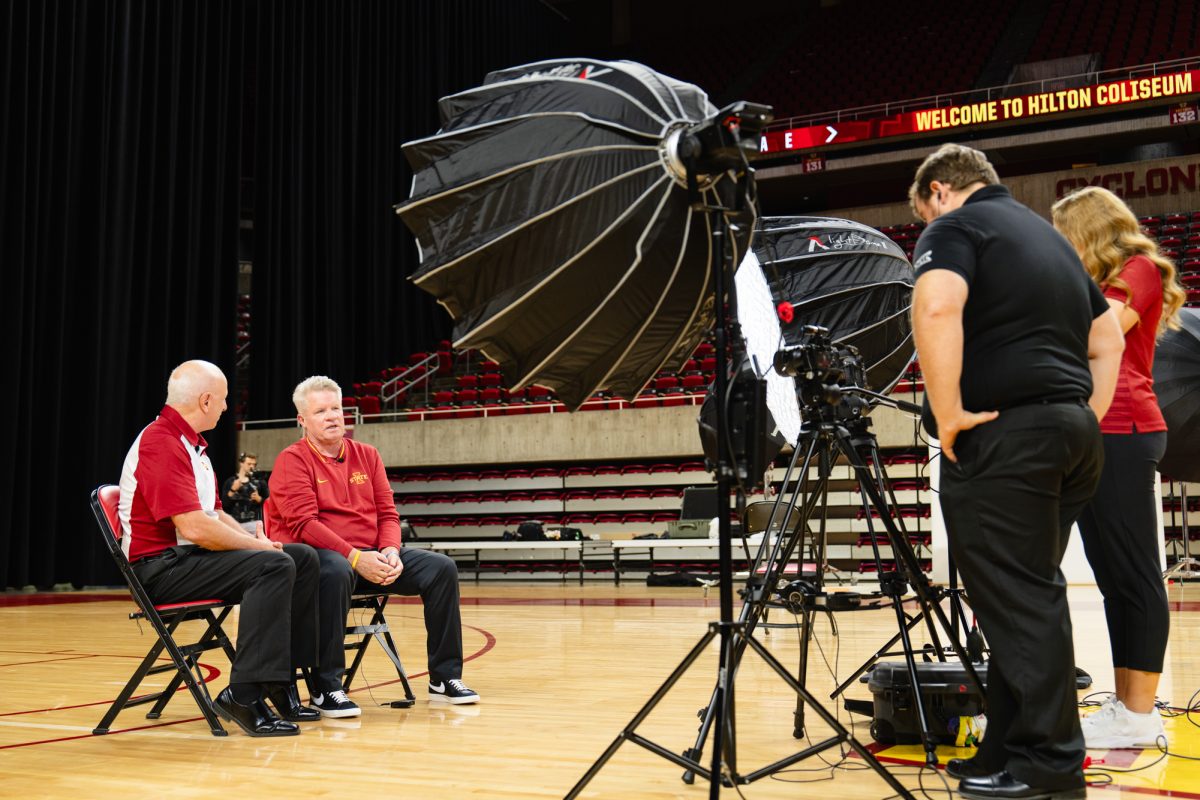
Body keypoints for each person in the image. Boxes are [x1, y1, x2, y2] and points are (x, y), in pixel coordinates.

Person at [908, 144, 1124, 800]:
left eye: (922, 213)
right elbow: (1106, 338)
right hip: (1071, 435)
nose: (926, 226)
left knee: (1019, 599)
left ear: (939, 191)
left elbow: (938, 306)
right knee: (1020, 599)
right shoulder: (1047, 238)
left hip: (1007, 437)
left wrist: (947, 414)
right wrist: (1076, 414)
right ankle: (1002, 750)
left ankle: (1048, 769)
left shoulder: (955, 226)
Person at [118, 360, 324, 736]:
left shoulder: (193, 445)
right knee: (273, 565)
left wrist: (259, 541)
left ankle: (280, 680)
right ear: (207, 400)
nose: (228, 408)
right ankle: (244, 695)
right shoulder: (161, 441)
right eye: (225, 400)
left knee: (302, 558)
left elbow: (214, 514)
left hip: (189, 560)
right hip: (160, 570)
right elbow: (196, 528)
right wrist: (258, 549)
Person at [1051, 187, 1185, 749]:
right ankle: (1128, 706)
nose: (1059, 245)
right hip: (1095, 431)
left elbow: (1092, 334)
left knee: (1134, 573)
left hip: (1126, 430)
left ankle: (1138, 711)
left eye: (1064, 233)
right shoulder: (1097, 279)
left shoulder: (1142, 267)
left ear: (1087, 229)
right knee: (1112, 578)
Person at [267, 375, 480, 714]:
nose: (332, 416)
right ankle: (326, 686)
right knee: (335, 570)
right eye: (321, 411)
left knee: (441, 568)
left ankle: (443, 677)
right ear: (302, 420)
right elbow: (305, 525)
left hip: (373, 556)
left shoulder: (367, 455)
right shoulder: (292, 460)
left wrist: (391, 551)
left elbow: (388, 514)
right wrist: (354, 558)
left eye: (336, 408)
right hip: (326, 561)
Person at [222, 452, 269, 534]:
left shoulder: (260, 482)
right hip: (235, 524)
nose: (252, 466)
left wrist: (259, 499)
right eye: (249, 464)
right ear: (241, 463)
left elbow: (270, 503)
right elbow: (224, 505)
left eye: (254, 464)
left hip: (254, 523)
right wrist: (233, 490)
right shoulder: (231, 482)